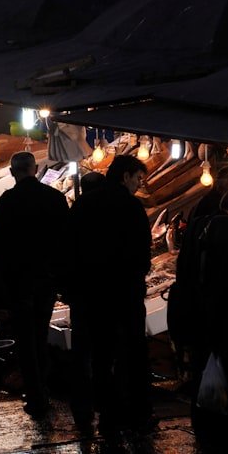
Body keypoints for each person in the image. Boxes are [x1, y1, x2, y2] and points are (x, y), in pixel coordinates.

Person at [69, 154, 154, 436]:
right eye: (138, 179)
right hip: (126, 292)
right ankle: (138, 413)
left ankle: (108, 412)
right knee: (133, 351)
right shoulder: (131, 207)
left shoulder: (83, 204)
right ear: (125, 176)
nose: (139, 185)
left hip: (93, 292)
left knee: (102, 355)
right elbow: (143, 251)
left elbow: (70, 245)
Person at [0, 151, 69, 420]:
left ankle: (36, 395)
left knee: (26, 339)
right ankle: (42, 389)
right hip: (47, 280)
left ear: (13, 173)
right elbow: (65, 240)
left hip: (19, 282)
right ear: (35, 169)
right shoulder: (55, 198)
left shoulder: (7, 201)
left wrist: (0, 291)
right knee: (40, 334)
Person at [172, 188, 228, 448]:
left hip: (201, 319)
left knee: (204, 373)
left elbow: (184, 275)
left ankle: (205, 427)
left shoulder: (198, 229)